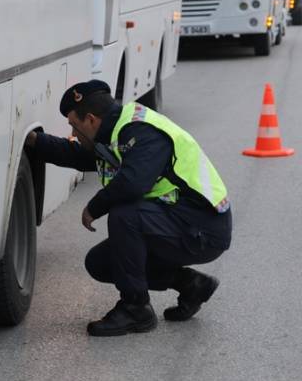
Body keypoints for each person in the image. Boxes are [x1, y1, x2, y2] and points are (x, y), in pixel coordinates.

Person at [25, 81, 233, 337]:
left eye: (74, 126)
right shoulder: (112, 134)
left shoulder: (142, 132)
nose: (74, 132)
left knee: (126, 215)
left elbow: (133, 184)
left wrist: (93, 207)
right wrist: (34, 141)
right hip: (176, 222)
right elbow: (77, 155)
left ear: (90, 119)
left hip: (203, 228)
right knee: (100, 263)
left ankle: (136, 309)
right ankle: (191, 285)